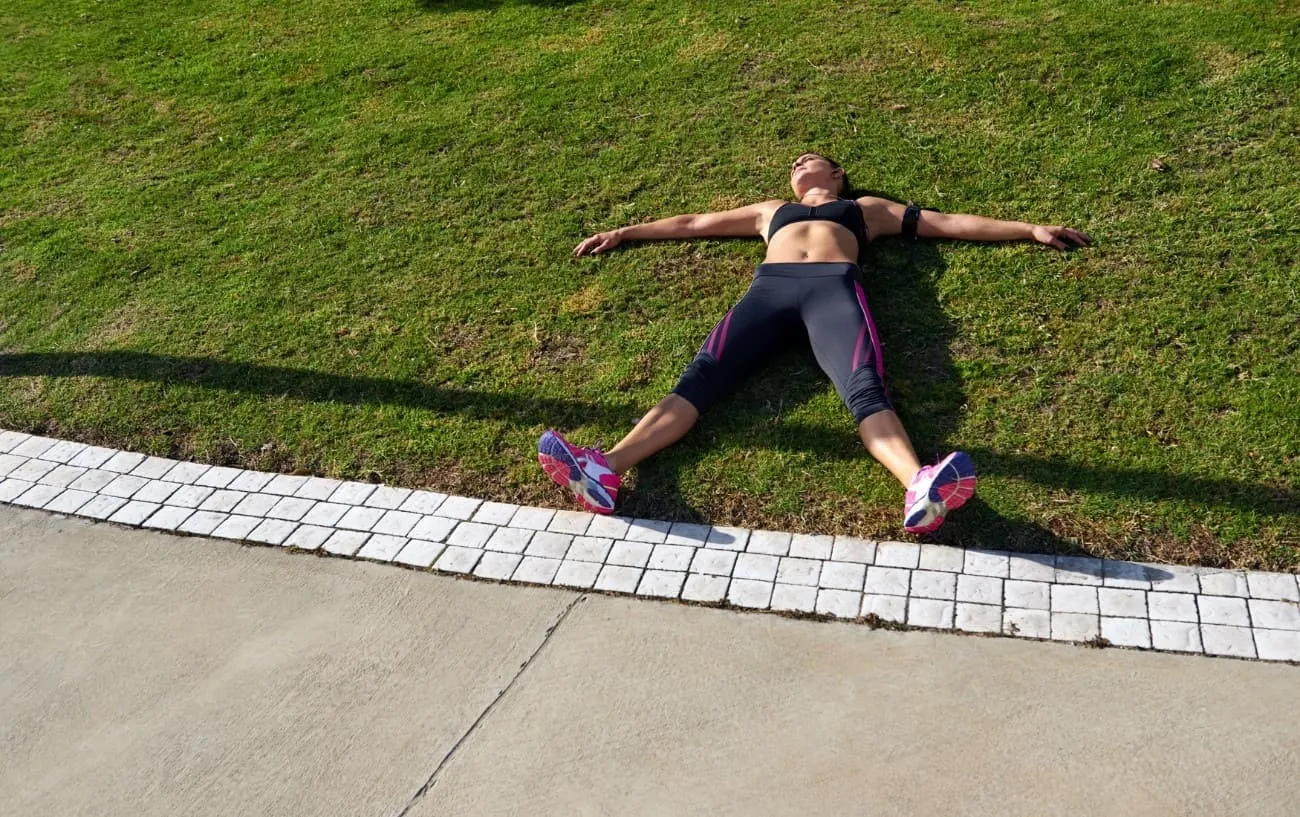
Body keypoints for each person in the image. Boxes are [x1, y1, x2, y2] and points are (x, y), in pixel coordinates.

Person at [538, 153, 1091, 533]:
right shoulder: (768, 212)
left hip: (834, 292)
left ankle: (919, 485)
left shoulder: (867, 209)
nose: (800, 166)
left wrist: (1027, 228)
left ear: (838, 173)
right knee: (701, 377)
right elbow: (693, 223)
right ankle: (605, 469)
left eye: (811, 159)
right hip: (768, 294)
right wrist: (626, 232)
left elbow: (947, 223)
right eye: (795, 164)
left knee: (864, 388)